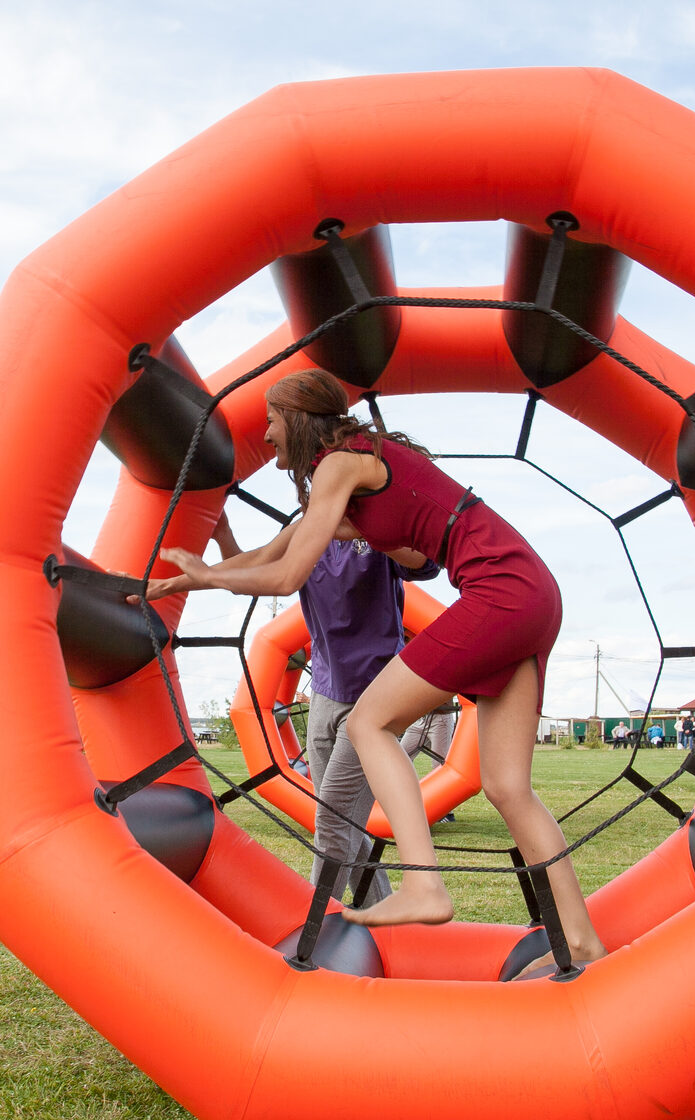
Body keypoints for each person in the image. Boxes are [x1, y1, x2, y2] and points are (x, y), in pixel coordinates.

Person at [142, 367, 606, 965]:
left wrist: (206, 575)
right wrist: (191, 578)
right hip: (530, 589)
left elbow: (284, 576)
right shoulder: (352, 485)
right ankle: (583, 940)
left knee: (368, 723)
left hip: (500, 589)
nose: (267, 432)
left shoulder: (341, 462)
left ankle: (424, 884)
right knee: (508, 787)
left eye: (272, 420)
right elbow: (270, 555)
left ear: (301, 419)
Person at [214, 513, 439, 903]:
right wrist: (223, 533)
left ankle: (316, 931)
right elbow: (245, 575)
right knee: (344, 822)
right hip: (324, 694)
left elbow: (424, 563)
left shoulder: (377, 531)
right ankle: (381, 917)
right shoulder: (305, 532)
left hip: (377, 699)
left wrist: (370, 524)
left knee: (333, 822)